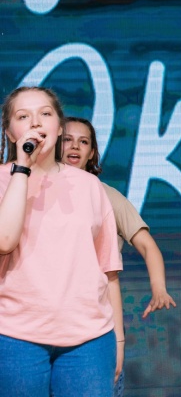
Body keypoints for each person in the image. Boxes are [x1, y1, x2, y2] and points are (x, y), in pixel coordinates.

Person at [0, 86, 123, 396]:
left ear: (58, 127)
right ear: (10, 133)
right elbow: (4, 240)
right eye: (23, 116)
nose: (35, 122)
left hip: (90, 339)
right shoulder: (3, 179)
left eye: (45, 114)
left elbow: (107, 269)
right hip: (15, 335)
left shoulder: (89, 185)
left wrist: (119, 339)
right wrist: (22, 169)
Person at [61, 116, 176, 396]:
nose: (74, 146)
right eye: (67, 139)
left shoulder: (107, 197)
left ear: (92, 153)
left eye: (83, 141)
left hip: (96, 323)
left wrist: (159, 288)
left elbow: (146, 246)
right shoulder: (35, 192)